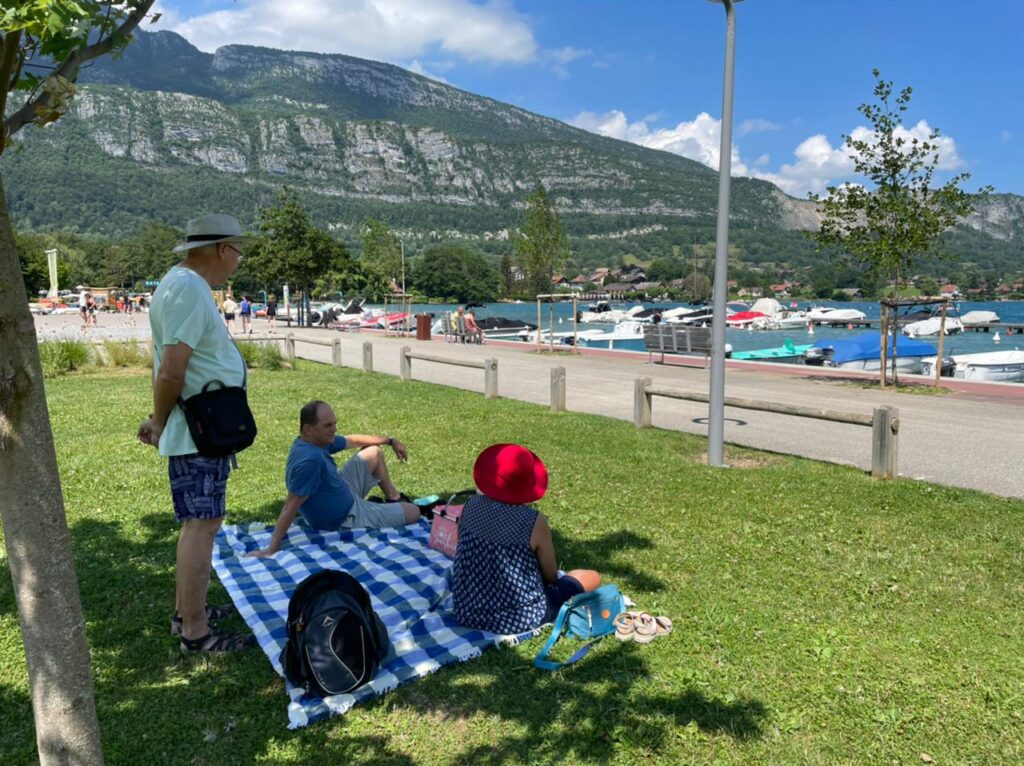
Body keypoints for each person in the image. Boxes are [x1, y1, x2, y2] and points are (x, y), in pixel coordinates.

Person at [137, 213, 255, 654]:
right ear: (223, 249)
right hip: (197, 431)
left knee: (200, 522)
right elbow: (172, 369)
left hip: (200, 429)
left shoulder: (179, 284)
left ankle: (187, 611)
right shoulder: (188, 289)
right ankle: (195, 632)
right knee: (201, 526)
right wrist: (161, 421)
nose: (238, 260)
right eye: (237, 251)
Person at [451, 444, 601, 634]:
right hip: (520, 616)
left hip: (467, 609)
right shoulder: (533, 521)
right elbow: (550, 575)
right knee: (591, 577)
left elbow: (462, 549)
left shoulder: (470, 505)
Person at [249, 400, 420, 558]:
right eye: (328, 425)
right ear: (309, 429)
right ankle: (391, 507)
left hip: (340, 491)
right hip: (346, 516)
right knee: (414, 512)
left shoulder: (310, 441)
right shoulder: (310, 460)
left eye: (334, 424)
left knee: (374, 452)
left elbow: (352, 440)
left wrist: (390, 441)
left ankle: (393, 498)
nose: (334, 429)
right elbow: (290, 505)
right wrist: (271, 549)